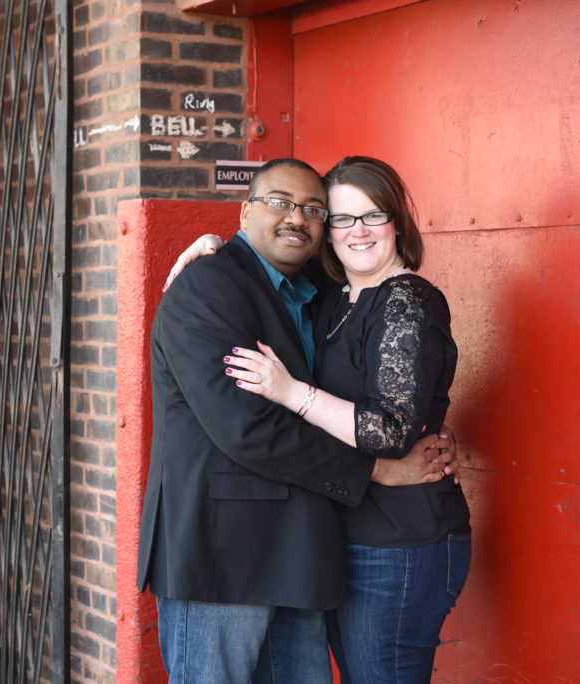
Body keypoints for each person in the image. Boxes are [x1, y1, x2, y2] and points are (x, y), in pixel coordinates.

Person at [138, 157, 458, 683]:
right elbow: (247, 428)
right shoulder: (207, 289)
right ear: (244, 213)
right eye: (280, 203)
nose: (298, 218)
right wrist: (377, 469)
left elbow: (384, 378)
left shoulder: (317, 291)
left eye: (313, 209)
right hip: (225, 559)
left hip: (299, 556)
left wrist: (428, 418)